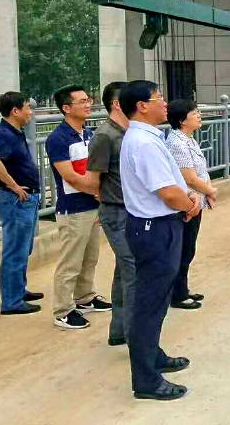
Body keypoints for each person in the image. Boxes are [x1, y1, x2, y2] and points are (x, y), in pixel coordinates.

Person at [119, 80, 201, 401]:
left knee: (157, 299)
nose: (165, 103)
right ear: (142, 106)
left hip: (158, 225)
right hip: (154, 228)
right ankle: (146, 381)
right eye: (159, 98)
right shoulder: (144, 143)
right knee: (148, 304)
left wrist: (187, 197)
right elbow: (167, 192)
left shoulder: (149, 137)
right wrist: (189, 203)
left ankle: (153, 356)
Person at [46, 85, 111, 329]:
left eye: (88, 99)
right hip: (73, 208)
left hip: (92, 204)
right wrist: (98, 192)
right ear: (66, 108)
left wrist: (99, 193)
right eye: (82, 101)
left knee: (90, 257)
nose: (88, 104)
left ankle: (84, 298)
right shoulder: (58, 139)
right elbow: (70, 177)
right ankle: (63, 310)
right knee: (70, 262)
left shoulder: (88, 133)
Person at [0, 92, 44, 315]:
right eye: (28, 107)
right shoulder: (3, 134)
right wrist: (15, 186)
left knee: (23, 248)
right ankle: (11, 301)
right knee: (15, 250)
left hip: (25, 200)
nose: (31, 112)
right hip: (16, 201)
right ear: (15, 111)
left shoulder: (14, 132)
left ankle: (18, 290)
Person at [85, 81, 132, 346]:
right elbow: (93, 180)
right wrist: (106, 201)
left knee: (124, 271)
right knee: (133, 271)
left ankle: (120, 330)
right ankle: (135, 335)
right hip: (116, 212)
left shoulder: (128, 132)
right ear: (117, 104)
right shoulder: (105, 136)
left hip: (129, 211)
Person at [165, 99, 218, 310]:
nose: (198, 115)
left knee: (188, 248)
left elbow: (200, 172)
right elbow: (189, 178)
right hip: (186, 203)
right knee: (183, 249)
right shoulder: (177, 143)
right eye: (193, 112)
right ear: (181, 120)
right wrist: (210, 191)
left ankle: (182, 289)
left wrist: (207, 192)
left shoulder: (189, 139)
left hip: (196, 200)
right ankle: (177, 295)